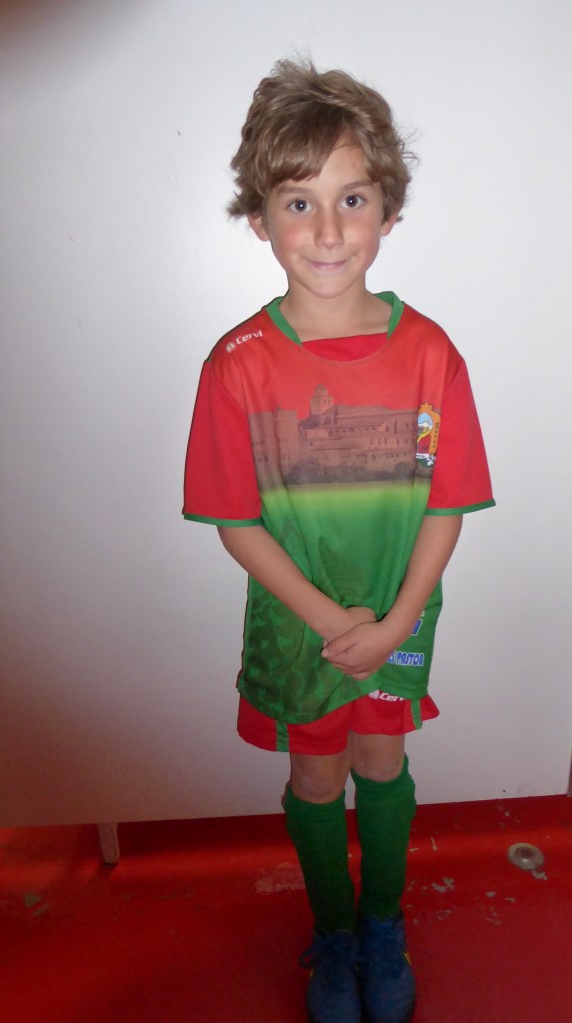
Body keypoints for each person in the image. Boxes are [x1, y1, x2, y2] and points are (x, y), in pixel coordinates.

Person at [183, 58, 494, 1023]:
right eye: (298, 202)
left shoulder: (431, 354)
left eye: (350, 198)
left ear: (387, 210)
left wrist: (392, 620)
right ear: (259, 219)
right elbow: (236, 523)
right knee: (314, 772)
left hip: (400, 619)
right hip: (298, 633)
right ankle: (332, 931)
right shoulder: (236, 366)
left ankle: (382, 923)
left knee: (382, 764)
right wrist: (331, 621)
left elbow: (446, 506)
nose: (326, 230)